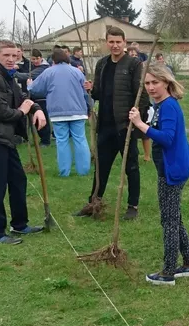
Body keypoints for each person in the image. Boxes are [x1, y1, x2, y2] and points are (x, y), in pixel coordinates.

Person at [128, 65, 189, 286]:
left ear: (166, 83)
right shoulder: (160, 105)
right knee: (174, 218)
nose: (150, 87)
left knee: (168, 220)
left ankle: (168, 272)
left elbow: (167, 138)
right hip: (171, 166)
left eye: (155, 83)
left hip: (173, 169)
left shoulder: (168, 106)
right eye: (147, 83)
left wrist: (140, 125)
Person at [0, 39, 48, 245]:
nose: (10, 59)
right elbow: (2, 112)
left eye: (14, 56)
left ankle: (19, 224)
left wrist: (36, 109)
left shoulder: (8, 76)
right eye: (6, 55)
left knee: (18, 180)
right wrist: (24, 111)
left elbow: (22, 97)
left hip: (7, 137)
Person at [76, 26, 150, 220]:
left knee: (131, 166)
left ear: (124, 43)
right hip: (105, 125)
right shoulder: (102, 64)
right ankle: (94, 202)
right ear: (106, 43)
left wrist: (136, 119)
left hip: (124, 126)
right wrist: (91, 89)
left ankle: (132, 206)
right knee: (101, 166)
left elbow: (141, 94)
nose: (115, 45)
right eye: (111, 42)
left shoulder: (134, 64)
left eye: (118, 42)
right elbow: (99, 94)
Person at [29, 48, 92, 177]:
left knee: (62, 140)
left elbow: (36, 89)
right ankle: (84, 171)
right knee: (80, 139)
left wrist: (30, 84)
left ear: (54, 60)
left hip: (58, 112)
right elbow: (84, 91)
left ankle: (64, 172)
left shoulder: (48, 72)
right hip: (78, 111)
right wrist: (88, 108)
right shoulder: (77, 72)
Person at [28, 50, 52, 146]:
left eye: (37, 58)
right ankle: (41, 139)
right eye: (33, 59)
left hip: (42, 97)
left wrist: (13, 73)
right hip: (33, 96)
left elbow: (28, 75)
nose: (35, 61)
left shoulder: (44, 68)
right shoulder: (32, 66)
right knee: (36, 119)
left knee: (42, 118)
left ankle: (45, 140)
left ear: (41, 58)